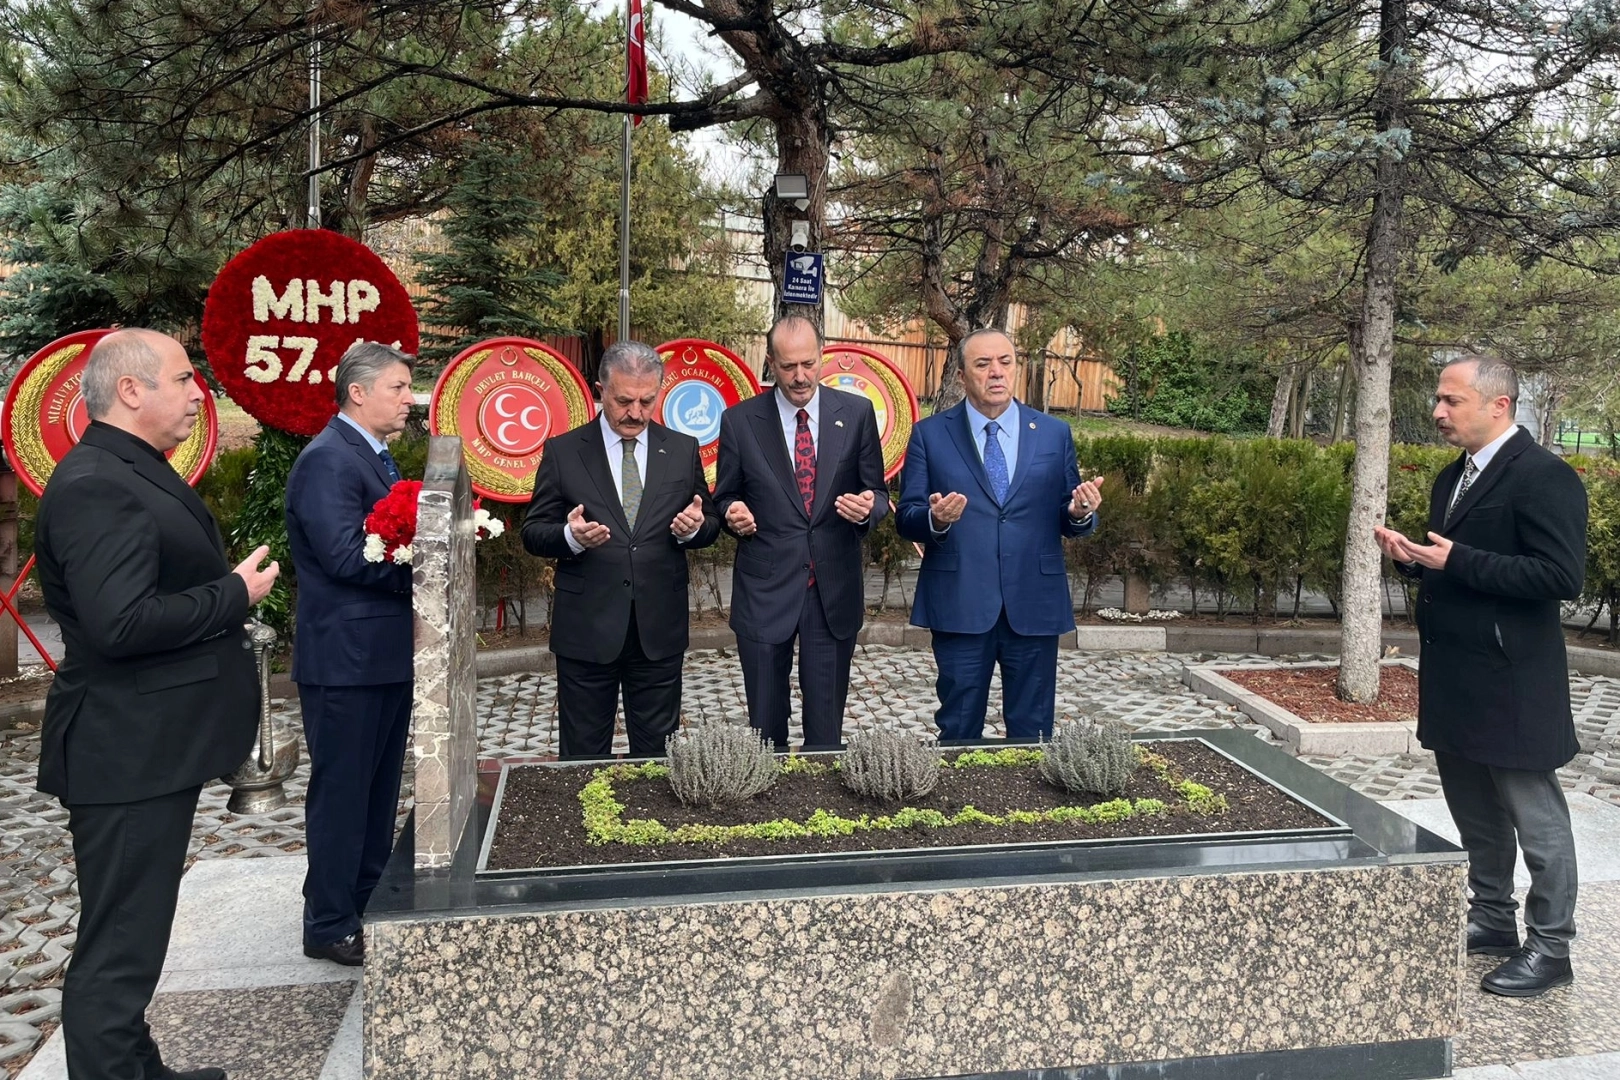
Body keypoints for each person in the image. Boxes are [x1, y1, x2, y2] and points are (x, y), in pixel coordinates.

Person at [35, 329, 280, 1080]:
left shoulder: (127, 467)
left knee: (135, 934)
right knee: (119, 948)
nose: (197, 394)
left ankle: (139, 1069)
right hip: (125, 749)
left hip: (147, 745)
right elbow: (121, 624)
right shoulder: (98, 483)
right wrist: (233, 594)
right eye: (182, 379)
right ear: (131, 389)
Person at [1375, 354, 1586, 998]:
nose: (1438, 412)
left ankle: (1551, 946)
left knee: (1536, 819)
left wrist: (1458, 560)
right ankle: (1491, 918)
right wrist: (1415, 560)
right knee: (1474, 812)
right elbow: (1457, 562)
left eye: (1451, 401)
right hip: (1456, 675)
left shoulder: (1545, 477)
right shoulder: (1454, 476)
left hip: (1513, 680)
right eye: (1438, 400)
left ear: (1499, 405)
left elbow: (1560, 576)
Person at [896, 328, 1103, 741]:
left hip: (1034, 604)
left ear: (1016, 368)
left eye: (1005, 362)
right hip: (960, 602)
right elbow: (907, 517)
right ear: (961, 376)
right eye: (983, 363)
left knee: (1033, 732)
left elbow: (1068, 511)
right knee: (958, 729)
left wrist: (1079, 512)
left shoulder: (1053, 433)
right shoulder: (930, 435)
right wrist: (936, 519)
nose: (996, 372)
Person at [284, 341, 416, 967]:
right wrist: (422, 568)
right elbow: (342, 555)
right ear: (357, 393)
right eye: (398, 387)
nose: (409, 399)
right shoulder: (328, 460)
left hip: (381, 655)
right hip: (346, 659)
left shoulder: (373, 454)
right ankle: (329, 921)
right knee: (343, 793)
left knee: (377, 789)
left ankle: (366, 898)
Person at [521, 341, 720, 757]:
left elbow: (709, 522)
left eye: (647, 401)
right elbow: (533, 531)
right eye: (624, 401)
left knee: (657, 758)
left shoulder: (681, 449)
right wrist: (571, 537)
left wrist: (694, 529)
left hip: (658, 630)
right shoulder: (564, 451)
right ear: (601, 391)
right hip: (587, 630)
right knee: (582, 757)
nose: (636, 413)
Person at [713, 317, 889, 749]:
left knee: (826, 735)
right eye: (789, 366)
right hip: (765, 592)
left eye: (808, 364)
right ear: (771, 362)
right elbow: (724, 496)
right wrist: (732, 512)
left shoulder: (857, 413)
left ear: (821, 356)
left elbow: (879, 494)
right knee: (765, 731)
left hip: (831, 593)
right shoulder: (740, 421)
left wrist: (867, 509)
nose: (800, 376)